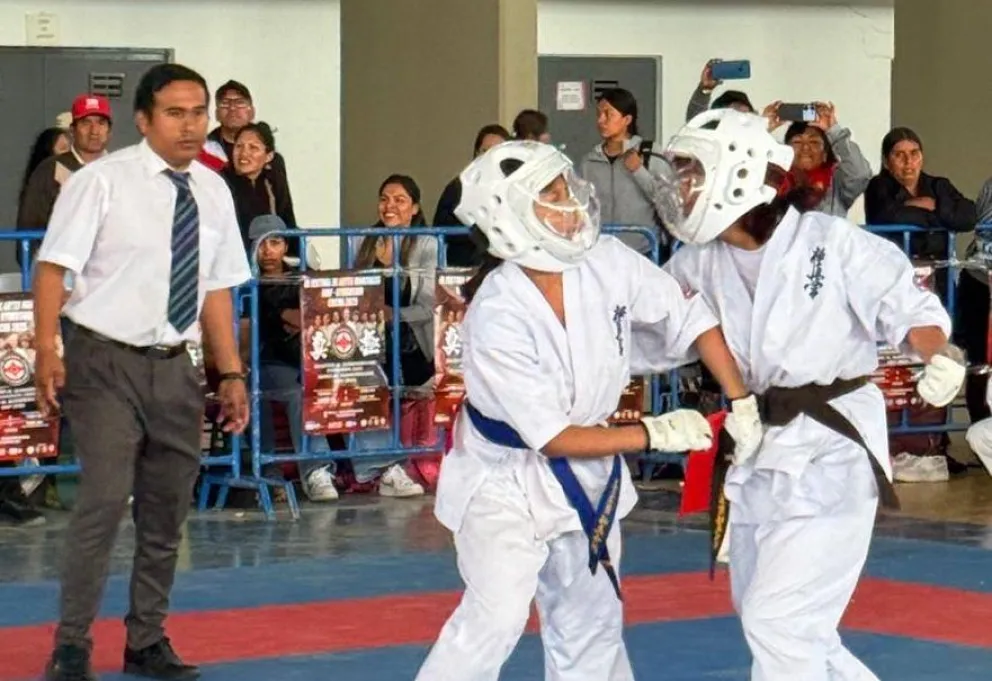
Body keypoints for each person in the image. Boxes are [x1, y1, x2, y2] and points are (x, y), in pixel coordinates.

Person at [413, 140, 760, 681]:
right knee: (495, 618)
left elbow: (690, 317)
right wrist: (652, 433)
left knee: (591, 624)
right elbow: (552, 437)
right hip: (503, 480)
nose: (572, 199)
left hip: (590, 470)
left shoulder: (604, 260)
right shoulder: (499, 311)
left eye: (567, 185)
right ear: (511, 218)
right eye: (552, 194)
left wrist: (740, 400)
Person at [657, 109, 965, 681]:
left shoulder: (832, 242)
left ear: (737, 177)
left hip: (832, 450)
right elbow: (652, 331)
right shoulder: (697, 261)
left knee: (782, 623)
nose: (681, 188)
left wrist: (940, 357)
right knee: (778, 622)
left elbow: (912, 313)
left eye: (692, 173)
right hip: (757, 445)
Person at [33, 63, 251, 681]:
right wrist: (49, 350)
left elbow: (213, 290)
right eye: (176, 113)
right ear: (144, 119)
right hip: (102, 360)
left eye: (199, 112)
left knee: (166, 509)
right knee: (102, 501)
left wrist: (230, 374)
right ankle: (71, 644)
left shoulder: (213, 191)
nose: (191, 125)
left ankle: (146, 639)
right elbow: (53, 269)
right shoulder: (102, 182)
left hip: (174, 366)